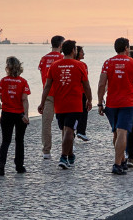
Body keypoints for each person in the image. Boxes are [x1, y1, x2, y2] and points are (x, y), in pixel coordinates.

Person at [39, 40, 91, 170]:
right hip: (74, 104)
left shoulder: (54, 65)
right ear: (74, 50)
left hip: (59, 104)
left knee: (66, 129)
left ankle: (67, 155)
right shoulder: (79, 66)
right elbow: (86, 85)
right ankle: (66, 155)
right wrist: (89, 100)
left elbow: (47, 86)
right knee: (68, 130)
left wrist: (42, 102)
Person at [96, 37, 133, 175]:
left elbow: (101, 84)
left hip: (112, 103)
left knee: (116, 133)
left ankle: (122, 159)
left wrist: (100, 102)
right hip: (127, 102)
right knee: (122, 132)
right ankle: (117, 164)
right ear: (126, 48)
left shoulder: (107, 63)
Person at [0, 56, 30, 175]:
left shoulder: (3, 81)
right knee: (19, 140)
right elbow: (24, 99)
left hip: (6, 113)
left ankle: (1, 165)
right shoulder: (23, 82)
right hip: (19, 114)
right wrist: (26, 114)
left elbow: (0, 95)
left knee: (6, 140)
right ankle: (19, 166)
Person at [37, 35, 66, 159]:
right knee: (65, 123)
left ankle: (46, 151)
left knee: (46, 123)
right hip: (60, 94)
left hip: (48, 93)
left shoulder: (44, 59)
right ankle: (66, 148)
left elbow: (42, 75)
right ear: (60, 45)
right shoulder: (63, 58)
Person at [73, 45, 91, 142]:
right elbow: (85, 81)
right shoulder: (82, 65)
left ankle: (76, 132)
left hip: (73, 92)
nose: (83, 53)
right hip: (81, 92)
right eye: (82, 52)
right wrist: (89, 97)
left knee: (75, 113)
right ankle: (81, 132)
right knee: (83, 112)